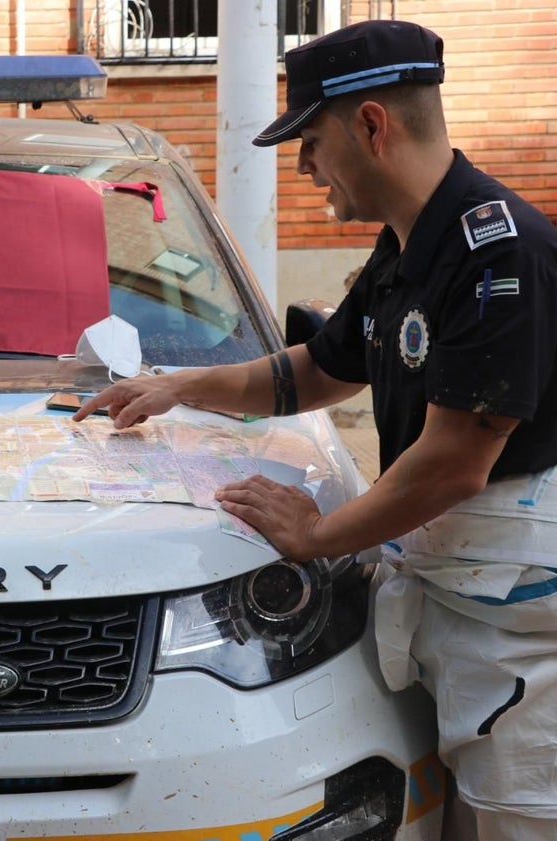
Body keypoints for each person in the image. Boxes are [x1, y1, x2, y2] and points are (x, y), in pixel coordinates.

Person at [73, 19, 557, 841]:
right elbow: (318, 370)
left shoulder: (496, 254)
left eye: (311, 141)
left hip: (515, 621)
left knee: (516, 818)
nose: (303, 168)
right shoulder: (408, 248)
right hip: (457, 598)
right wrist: (179, 386)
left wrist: (318, 533)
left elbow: (453, 463)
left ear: (372, 125)